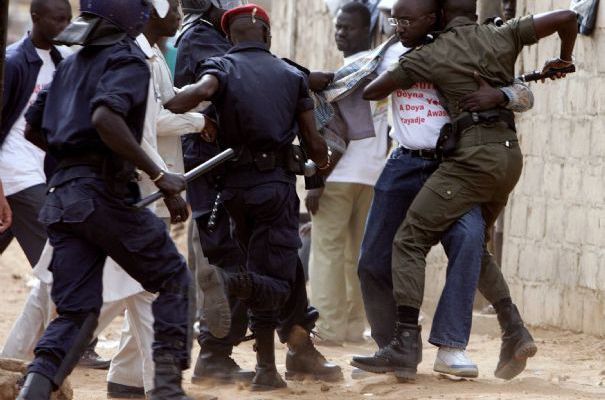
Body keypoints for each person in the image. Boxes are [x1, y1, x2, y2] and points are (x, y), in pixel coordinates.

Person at [15, 1, 229, 398]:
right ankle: (167, 390)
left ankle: (34, 390)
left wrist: (71, 160)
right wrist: (159, 174)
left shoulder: (72, 63)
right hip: (102, 195)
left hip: (63, 199)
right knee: (170, 276)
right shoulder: (128, 58)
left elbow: (33, 127)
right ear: (132, 15)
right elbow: (105, 118)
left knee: (77, 311)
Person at [356, 0, 578, 382]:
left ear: (435, 16)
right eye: (397, 19)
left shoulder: (454, 44)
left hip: (454, 163)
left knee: (460, 243)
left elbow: (524, 96)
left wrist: (503, 95)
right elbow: (357, 85)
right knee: (373, 261)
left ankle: (448, 346)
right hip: (407, 160)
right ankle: (395, 346)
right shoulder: (390, 50)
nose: (400, 25)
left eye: (409, 18)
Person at [166, 3, 344, 390]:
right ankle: (221, 350)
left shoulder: (227, 56)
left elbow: (202, 90)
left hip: (232, 182)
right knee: (252, 267)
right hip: (225, 175)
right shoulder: (200, 39)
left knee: (275, 262)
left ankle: (293, 346)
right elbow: (307, 130)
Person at [0, 0, 110, 370]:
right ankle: (71, 347)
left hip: (44, 173)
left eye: (68, 19)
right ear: (35, 18)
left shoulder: (64, 60)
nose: (64, 26)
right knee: (60, 260)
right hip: (16, 174)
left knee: (56, 261)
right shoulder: (16, 62)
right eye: (56, 19)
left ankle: (22, 352)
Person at [174, 0, 254, 384]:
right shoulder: (201, 37)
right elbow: (236, 80)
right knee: (215, 259)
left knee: (215, 254)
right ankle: (213, 352)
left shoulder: (210, 34)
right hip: (209, 161)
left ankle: (215, 349)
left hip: (217, 162)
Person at [307, 2, 388, 346]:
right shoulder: (382, 69)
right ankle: (355, 326)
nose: (341, 33)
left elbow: (339, 136)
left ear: (367, 29)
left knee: (326, 251)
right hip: (372, 174)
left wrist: (317, 180)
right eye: (338, 27)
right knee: (356, 254)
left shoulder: (348, 75)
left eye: (349, 28)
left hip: (340, 176)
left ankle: (327, 327)